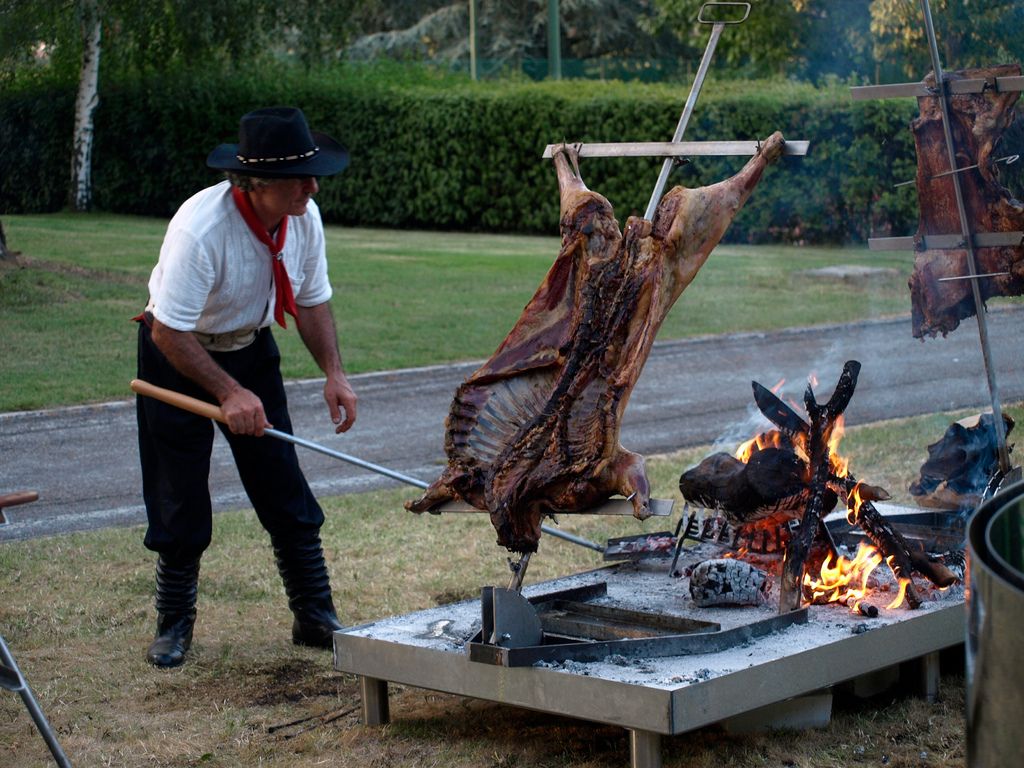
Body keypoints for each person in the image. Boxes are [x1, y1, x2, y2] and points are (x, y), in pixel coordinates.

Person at [135, 106, 358, 668]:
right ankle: (174, 624)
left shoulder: (304, 218)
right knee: (178, 490)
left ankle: (314, 614)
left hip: (251, 348)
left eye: (312, 174)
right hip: (176, 354)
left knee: (281, 478)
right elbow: (167, 329)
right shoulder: (201, 229)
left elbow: (310, 299)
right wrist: (226, 393)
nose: (312, 186)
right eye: (299, 178)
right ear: (256, 184)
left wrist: (334, 373)